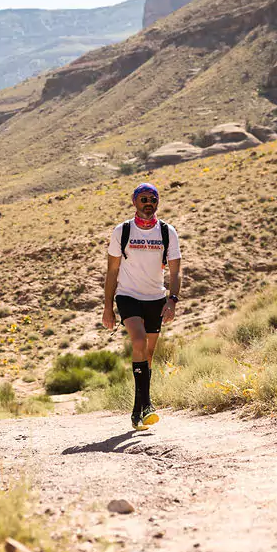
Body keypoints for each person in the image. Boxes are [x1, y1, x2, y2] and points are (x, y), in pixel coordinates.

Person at [102, 182, 182, 431]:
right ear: (134, 201)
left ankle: (138, 410)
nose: (149, 203)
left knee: (148, 354)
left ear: (157, 202)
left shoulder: (167, 232)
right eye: (144, 198)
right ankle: (147, 404)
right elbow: (112, 271)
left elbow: (176, 271)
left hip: (156, 299)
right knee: (138, 343)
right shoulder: (122, 231)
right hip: (128, 296)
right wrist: (108, 307)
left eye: (153, 199)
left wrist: (172, 299)